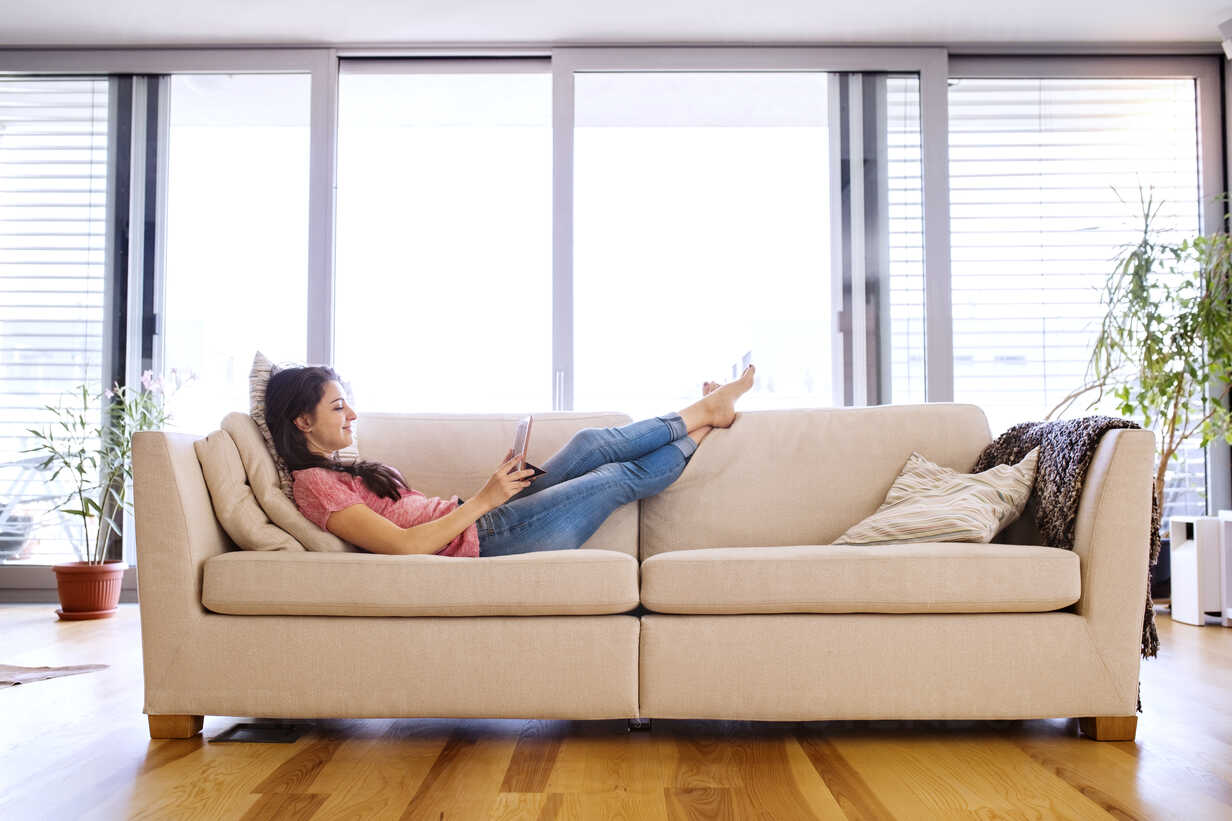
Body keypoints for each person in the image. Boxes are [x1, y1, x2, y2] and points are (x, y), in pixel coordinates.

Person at [264, 364, 756, 557]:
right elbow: (403, 547)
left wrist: (488, 494)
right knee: (611, 478)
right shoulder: (314, 486)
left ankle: (705, 415)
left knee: (588, 444)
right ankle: (707, 421)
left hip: (478, 519)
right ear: (301, 422)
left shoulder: (335, 469)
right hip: (486, 538)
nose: (351, 414)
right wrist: (485, 499)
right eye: (336, 407)